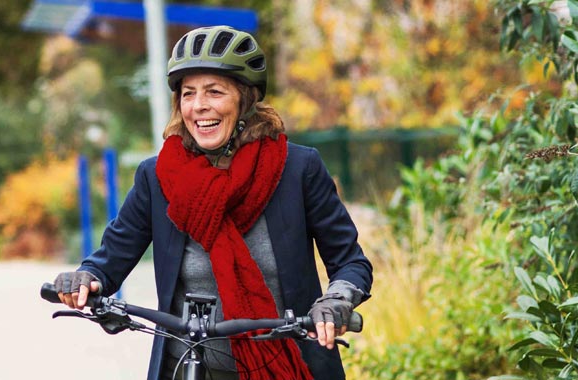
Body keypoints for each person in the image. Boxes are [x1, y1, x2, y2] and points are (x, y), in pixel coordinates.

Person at [52, 26, 373, 380]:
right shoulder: (158, 177)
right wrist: (86, 278)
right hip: (185, 367)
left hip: (288, 364)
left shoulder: (297, 169)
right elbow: (110, 260)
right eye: (188, 94)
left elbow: (350, 263)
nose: (199, 106)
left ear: (245, 99)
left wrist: (336, 301)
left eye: (214, 92)